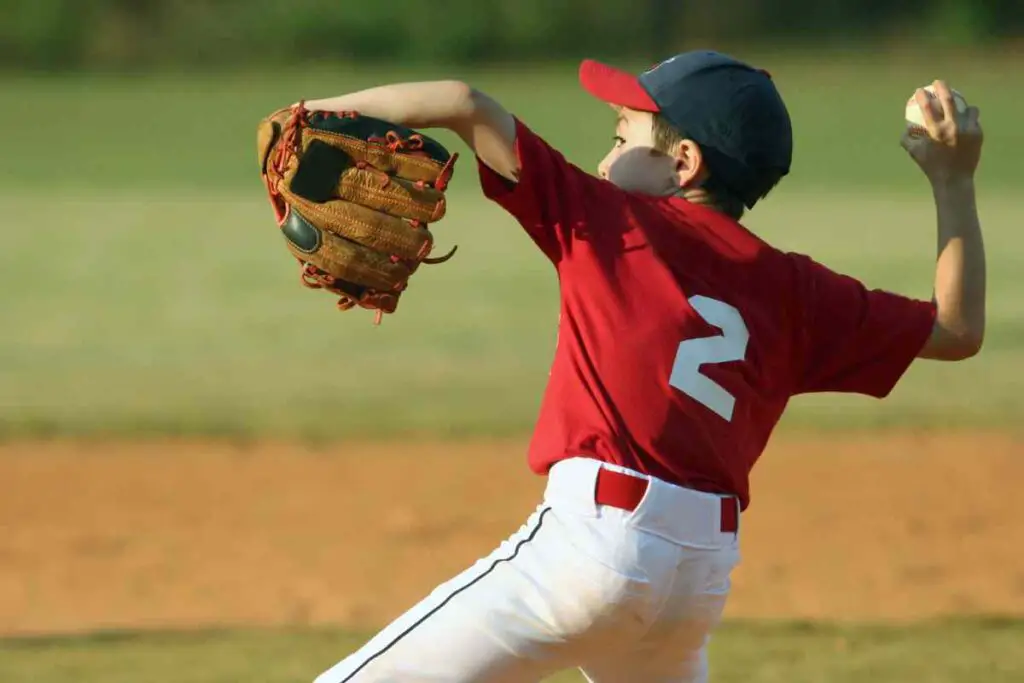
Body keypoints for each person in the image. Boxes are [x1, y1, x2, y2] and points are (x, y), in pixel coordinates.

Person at [303, 50, 986, 683]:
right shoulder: (798, 291)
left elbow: (463, 101)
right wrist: (953, 179)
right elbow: (956, 329)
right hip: (697, 580)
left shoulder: (612, 221)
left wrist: (306, 117)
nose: (604, 162)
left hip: (589, 550)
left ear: (683, 161)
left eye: (622, 136)